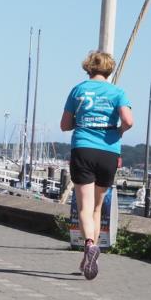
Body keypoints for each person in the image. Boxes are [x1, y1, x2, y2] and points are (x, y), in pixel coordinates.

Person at [60, 51, 133, 281]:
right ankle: (89, 254)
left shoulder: (78, 90)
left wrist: (82, 121)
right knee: (97, 207)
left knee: (84, 207)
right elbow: (129, 120)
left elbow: (64, 125)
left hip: (83, 148)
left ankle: (90, 245)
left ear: (88, 68)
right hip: (109, 152)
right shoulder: (118, 92)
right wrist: (118, 130)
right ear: (109, 69)